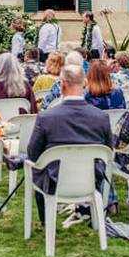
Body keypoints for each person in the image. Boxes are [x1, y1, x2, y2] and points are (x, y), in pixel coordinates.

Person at [26, 64, 112, 225]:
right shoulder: (101, 117)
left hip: (53, 181)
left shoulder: (46, 117)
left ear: (62, 84)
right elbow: (108, 151)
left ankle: (46, 221)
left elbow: (33, 155)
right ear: (84, 83)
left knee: (37, 167)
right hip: (91, 180)